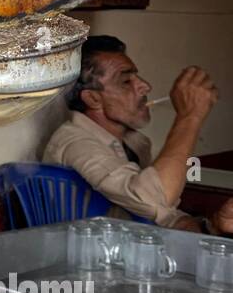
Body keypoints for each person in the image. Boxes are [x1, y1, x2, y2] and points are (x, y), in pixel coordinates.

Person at [43, 35, 233, 234]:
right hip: (97, 258)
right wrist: (190, 117)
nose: (145, 86)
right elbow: (154, 200)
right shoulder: (76, 143)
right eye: (126, 81)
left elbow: (160, 214)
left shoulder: (134, 143)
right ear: (92, 99)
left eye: (137, 77)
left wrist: (213, 226)